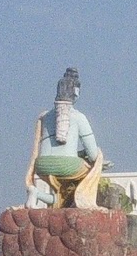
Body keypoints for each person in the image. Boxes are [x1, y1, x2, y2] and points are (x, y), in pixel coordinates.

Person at [27, 67, 103, 208]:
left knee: (61, 193)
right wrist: (99, 162)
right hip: (67, 166)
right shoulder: (78, 117)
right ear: (76, 93)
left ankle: (36, 193)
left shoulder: (45, 116)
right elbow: (93, 154)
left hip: (41, 166)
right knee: (90, 172)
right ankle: (82, 202)